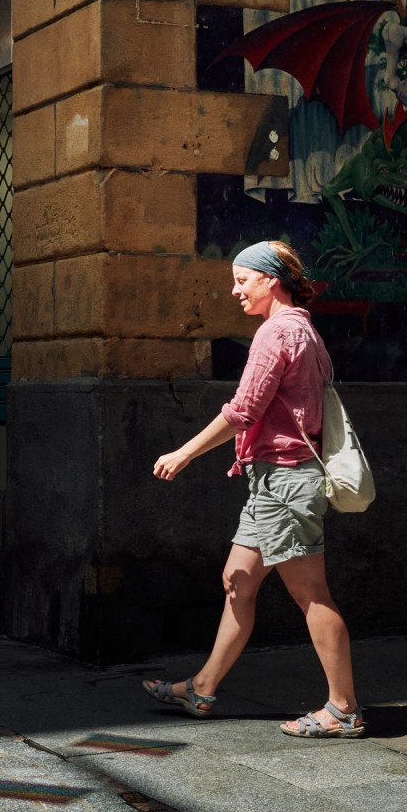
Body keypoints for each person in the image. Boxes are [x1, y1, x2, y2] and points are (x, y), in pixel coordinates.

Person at [144, 240, 365, 739]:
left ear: (271, 280)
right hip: (273, 479)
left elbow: (242, 410)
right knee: (238, 579)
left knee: (311, 594)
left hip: (286, 480)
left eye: (243, 280)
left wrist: (182, 453)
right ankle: (202, 686)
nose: (235, 290)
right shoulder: (305, 329)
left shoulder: (276, 333)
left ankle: (343, 709)